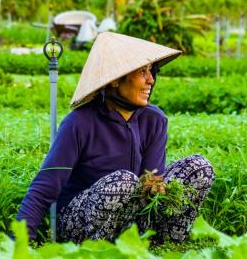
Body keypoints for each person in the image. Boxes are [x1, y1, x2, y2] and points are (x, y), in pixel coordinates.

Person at [16, 32, 215, 245]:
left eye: (151, 71)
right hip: (80, 222)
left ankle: (164, 249)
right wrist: (20, 242)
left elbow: (151, 179)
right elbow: (45, 186)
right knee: (124, 182)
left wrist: (157, 187)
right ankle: (100, 253)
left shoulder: (154, 120)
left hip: (132, 219)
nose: (151, 80)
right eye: (142, 72)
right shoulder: (80, 123)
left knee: (199, 167)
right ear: (114, 81)